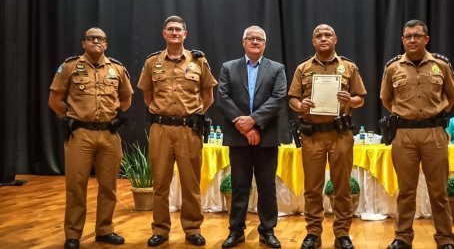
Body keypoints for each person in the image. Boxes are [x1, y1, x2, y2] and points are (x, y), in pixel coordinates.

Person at [48, 27, 133, 249]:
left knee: (109, 187)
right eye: (91, 38)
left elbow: (126, 99)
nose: (96, 41)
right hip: (80, 135)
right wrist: (71, 116)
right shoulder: (69, 67)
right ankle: (73, 234)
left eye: (100, 39)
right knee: (76, 186)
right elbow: (55, 100)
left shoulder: (117, 68)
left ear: (106, 44)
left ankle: (105, 230)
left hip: (109, 135)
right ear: (83, 43)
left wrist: (112, 115)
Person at [137, 15, 217, 247]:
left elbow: (208, 96)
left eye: (178, 29)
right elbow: (147, 96)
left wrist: (193, 113)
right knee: (160, 184)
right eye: (170, 29)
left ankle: (192, 229)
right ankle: (160, 230)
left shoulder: (199, 61)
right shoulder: (153, 62)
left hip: (188, 130)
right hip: (160, 129)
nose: (174, 33)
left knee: (190, 184)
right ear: (164, 34)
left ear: (185, 34)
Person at [380, 19, 454, 249]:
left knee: (439, 192)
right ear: (402, 40)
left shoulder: (441, 64)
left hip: (434, 132)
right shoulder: (393, 66)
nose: (412, 40)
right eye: (408, 36)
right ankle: (402, 237)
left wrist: (437, 113)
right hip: (403, 134)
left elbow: (452, 95)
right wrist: (403, 113)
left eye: (417, 36)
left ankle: (445, 239)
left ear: (426, 39)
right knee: (406, 191)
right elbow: (385, 98)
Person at [288, 24, 366, 249]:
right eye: (318, 36)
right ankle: (313, 232)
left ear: (335, 39)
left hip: (340, 134)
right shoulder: (303, 68)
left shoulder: (349, 67)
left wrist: (351, 101)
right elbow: (292, 98)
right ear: (313, 41)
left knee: (342, 187)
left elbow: (361, 97)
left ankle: (342, 234)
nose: (323, 38)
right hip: (312, 135)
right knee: (312, 188)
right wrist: (300, 105)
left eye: (327, 35)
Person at [217, 26, 287, 248]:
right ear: (243, 42)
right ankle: (236, 231)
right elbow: (223, 98)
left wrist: (254, 120)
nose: (255, 41)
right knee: (239, 186)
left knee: (267, 187)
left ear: (265, 44)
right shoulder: (228, 67)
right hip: (238, 136)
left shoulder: (277, 69)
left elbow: (278, 98)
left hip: (267, 137)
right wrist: (245, 126)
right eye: (251, 38)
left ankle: (267, 231)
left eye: (260, 39)